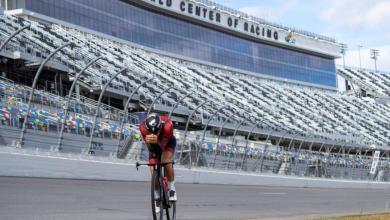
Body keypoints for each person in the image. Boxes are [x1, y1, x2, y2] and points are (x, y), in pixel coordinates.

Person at [139, 113, 177, 205]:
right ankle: (156, 195)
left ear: (160, 127)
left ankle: (172, 188)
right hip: (154, 145)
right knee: (153, 168)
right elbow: (151, 148)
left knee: (165, 160)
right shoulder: (143, 128)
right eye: (151, 132)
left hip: (168, 143)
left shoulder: (168, 126)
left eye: (156, 131)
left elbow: (162, 147)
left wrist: (156, 140)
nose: (153, 134)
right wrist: (153, 141)